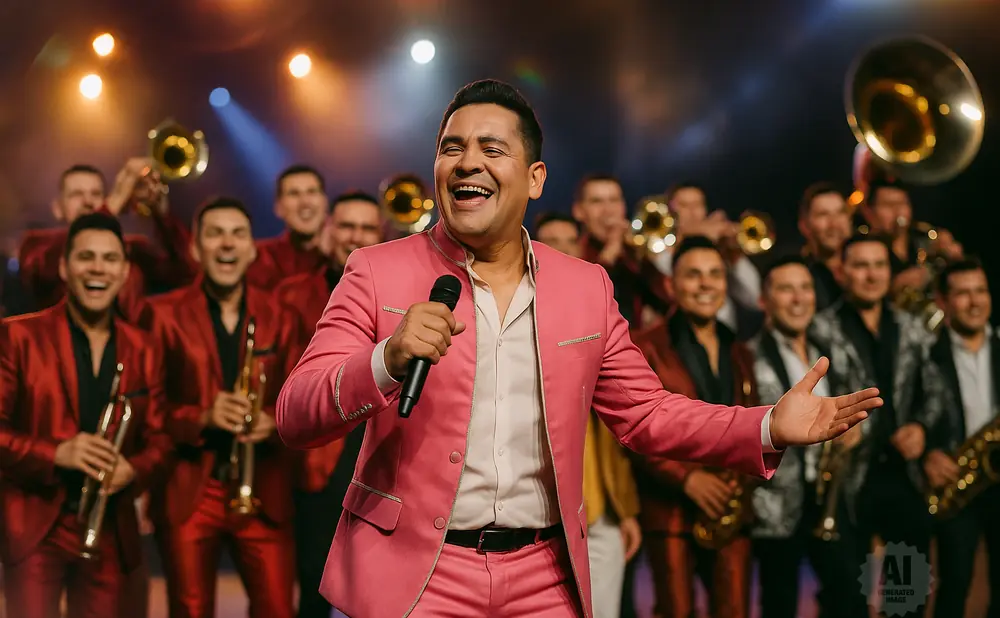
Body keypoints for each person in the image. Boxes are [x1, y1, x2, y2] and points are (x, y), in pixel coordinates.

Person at [275, 79, 881, 618]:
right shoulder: (376, 271)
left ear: (535, 179)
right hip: (415, 576)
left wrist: (768, 425)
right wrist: (387, 358)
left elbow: (647, 413)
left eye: (492, 150)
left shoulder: (583, 286)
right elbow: (296, 412)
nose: (466, 164)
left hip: (544, 576)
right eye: (451, 148)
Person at [0, 213, 172, 618]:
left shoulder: (145, 347)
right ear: (64, 266)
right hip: (35, 524)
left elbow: (162, 441)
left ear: (125, 271)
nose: (98, 268)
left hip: (109, 527)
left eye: (110, 259)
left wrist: (134, 469)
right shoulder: (16, 335)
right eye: (86, 257)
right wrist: (56, 453)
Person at [139, 198, 303, 618]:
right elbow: (148, 409)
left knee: (278, 609)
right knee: (189, 610)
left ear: (252, 249)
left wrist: (277, 420)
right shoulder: (160, 314)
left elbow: (299, 395)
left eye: (237, 234)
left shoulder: (281, 315)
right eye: (215, 234)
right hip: (191, 488)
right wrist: (202, 416)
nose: (226, 244)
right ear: (195, 248)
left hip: (262, 488)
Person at [810, 233, 943, 618]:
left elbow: (935, 392)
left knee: (905, 600)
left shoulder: (912, 326)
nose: (871, 275)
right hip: (847, 483)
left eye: (880, 265)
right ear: (842, 272)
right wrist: (836, 428)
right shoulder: (819, 329)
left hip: (903, 479)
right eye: (861, 265)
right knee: (846, 602)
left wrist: (921, 427)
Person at [630, 236, 757, 618]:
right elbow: (634, 428)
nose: (706, 284)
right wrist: (687, 480)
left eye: (716, 274)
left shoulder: (739, 350)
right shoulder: (643, 345)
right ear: (671, 285)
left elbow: (747, 421)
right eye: (694, 275)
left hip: (730, 510)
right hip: (670, 513)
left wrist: (740, 478)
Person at [275, 190, 384, 618]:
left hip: (386, 449)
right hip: (321, 458)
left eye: (367, 227)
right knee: (316, 588)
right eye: (346, 226)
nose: (355, 236)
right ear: (327, 232)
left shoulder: (406, 287)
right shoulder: (290, 294)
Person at [535, 212, 643, 618]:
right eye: (550, 241)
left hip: (601, 507)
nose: (560, 249)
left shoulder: (597, 312)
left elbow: (628, 417)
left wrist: (625, 509)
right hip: (537, 512)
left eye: (568, 240)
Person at [746, 255, 839, 618]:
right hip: (775, 511)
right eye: (786, 289)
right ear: (763, 300)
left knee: (845, 598)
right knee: (779, 606)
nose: (798, 298)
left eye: (805, 288)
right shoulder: (747, 358)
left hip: (829, 501)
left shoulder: (829, 351)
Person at [17, 160, 195, 321]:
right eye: (76, 194)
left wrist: (162, 215)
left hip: (131, 353)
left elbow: (189, 272)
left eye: (96, 194)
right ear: (57, 209)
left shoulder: (134, 248)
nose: (88, 201)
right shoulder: (37, 245)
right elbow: (43, 268)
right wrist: (112, 204)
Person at [923, 258, 1000, 618]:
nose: (975, 301)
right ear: (942, 301)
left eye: (981, 291)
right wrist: (925, 453)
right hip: (955, 478)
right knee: (954, 583)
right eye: (963, 293)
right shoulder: (925, 353)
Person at [248, 164, 330, 288]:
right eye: (294, 194)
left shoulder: (346, 257)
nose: (305, 202)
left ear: (325, 203)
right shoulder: (259, 258)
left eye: (312, 192)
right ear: (278, 207)